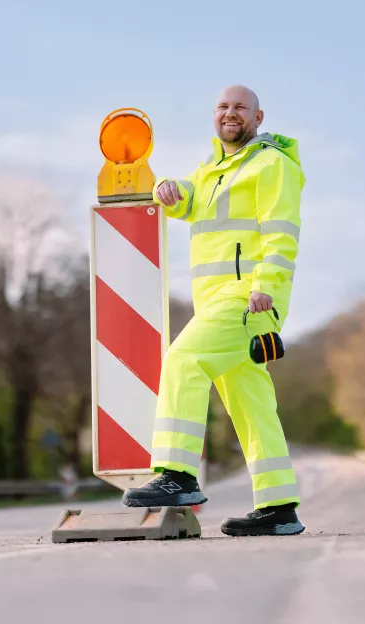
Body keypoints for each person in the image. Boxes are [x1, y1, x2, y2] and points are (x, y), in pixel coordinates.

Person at [122, 85, 305, 537]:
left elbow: (281, 232)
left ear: (259, 118)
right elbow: (192, 200)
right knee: (251, 404)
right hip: (219, 302)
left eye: (240, 107)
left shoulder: (271, 164)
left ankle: (178, 475)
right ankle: (279, 507)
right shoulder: (212, 168)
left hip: (246, 298)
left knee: (185, 361)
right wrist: (171, 189)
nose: (230, 113)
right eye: (223, 107)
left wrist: (267, 286)